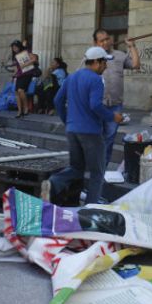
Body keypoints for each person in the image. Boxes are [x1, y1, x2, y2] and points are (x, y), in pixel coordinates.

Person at [47, 47, 123, 205]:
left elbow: (57, 101)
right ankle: (91, 208)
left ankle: (55, 181)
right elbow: (95, 105)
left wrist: (67, 120)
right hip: (91, 132)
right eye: (104, 62)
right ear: (95, 62)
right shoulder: (96, 79)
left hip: (72, 130)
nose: (106, 66)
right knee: (97, 172)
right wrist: (112, 116)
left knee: (76, 168)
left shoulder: (72, 77)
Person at [92, 28, 141, 168]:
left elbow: (136, 65)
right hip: (97, 105)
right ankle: (94, 166)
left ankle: (102, 168)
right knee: (96, 138)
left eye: (107, 38)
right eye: (102, 40)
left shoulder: (119, 55)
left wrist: (132, 46)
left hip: (115, 106)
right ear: (96, 43)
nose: (106, 42)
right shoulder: (91, 58)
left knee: (109, 139)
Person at [10, 40, 39, 118]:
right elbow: (17, 67)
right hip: (19, 75)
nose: (14, 49)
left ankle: (26, 108)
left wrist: (25, 64)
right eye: (13, 48)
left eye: (15, 47)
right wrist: (14, 75)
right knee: (17, 92)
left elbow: (34, 59)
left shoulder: (26, 52)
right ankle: (20, 111)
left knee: (20, 90)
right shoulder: (16, 55)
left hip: (27, 74)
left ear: (19, 46)